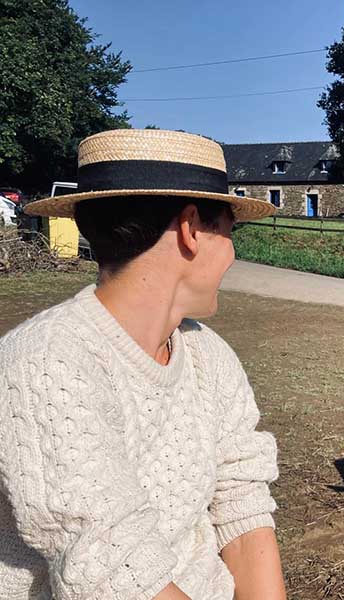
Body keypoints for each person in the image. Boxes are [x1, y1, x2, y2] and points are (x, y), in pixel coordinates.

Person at [0, 129, 286, 599]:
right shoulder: (45, 367)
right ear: (192, 229)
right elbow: (112, 573)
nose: (232, 255)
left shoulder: (208, 356)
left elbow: (242, 500)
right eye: (230, 232)